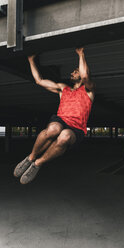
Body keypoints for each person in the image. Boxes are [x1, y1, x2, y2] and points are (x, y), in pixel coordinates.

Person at [13, 47, 95, 184]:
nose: (72, 73)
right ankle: (30, 158)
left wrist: (81, 54)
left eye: (75, 71)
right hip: (61, 120)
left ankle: (37, 164)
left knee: (64, 137)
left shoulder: (89, 91)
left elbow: (86, 76)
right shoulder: (64, 89)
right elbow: (39, 81)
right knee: (53, 130)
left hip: (77, 128)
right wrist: (31, 60)